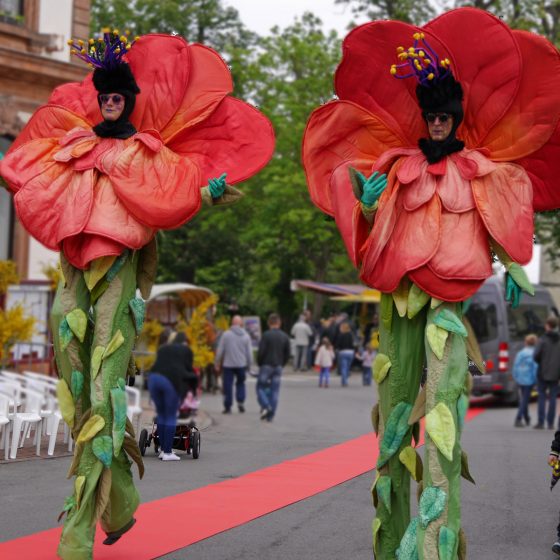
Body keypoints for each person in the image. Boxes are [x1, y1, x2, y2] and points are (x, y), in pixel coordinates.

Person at [0, 29, 274, 559]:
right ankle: (120, 492)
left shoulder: (146, 152)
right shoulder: (74, 146)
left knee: (102, 389)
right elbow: (30, 179)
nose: (107, 104)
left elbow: (168, 196)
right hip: (74, 272)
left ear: (127, 101)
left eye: (116, 98)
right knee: (78, 383)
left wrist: (205, 193)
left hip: (120, 273)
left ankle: (78, 526)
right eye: (102, 97)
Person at [303, 9, 560, 557]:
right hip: (399, 298)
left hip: (448, 301)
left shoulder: (482, 169)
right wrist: (367, 205)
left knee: (442, 414)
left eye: (445, 117)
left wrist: (515, 268)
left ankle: (436, 546)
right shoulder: (398, 165)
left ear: (455, 119)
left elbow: (496, 222)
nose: (438, 124)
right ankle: (393, 537)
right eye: (432, 117)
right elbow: (373, 222)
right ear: (425, 119)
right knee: (396, 412)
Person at [148, 331, 196, 461]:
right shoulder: (186, 350)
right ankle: (168, 452)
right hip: (169, 382)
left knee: (162, 415)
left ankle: (163, 451)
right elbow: (188, 370)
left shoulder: (163, 348)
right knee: (170, 416)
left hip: (153, 380)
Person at [256, 313, 291, 421]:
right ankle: (271, 415)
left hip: (266, 365)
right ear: (279, 323)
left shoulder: (266, 335)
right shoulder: (285, 336)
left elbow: (261, 352)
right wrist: (282, 363)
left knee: (260, 387)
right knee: (275, 390)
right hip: (278, 366)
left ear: (269, 323)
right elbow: (288, 353)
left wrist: (260, 363)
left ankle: (266, 406)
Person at [215, 315, 253, 414]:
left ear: (232, 323)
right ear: (241, 324)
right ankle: (240, 403)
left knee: (228, 385)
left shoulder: (226, 335)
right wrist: (249, 365)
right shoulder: (246, 336)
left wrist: (217, 362)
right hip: (241, 365)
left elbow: (220, 350)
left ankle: (228, 407)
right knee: (240, 383)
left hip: (228, 365)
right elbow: (249, 353)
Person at [534, 318, 560, 429]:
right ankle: (550, 423)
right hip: (556, 372)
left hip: (542, 372)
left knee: (542, 397)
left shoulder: (543, 339)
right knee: (553, 397)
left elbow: (536, 355)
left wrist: (541, 362)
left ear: (548, 325)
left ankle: (540, 422)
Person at [512, 334, 538, 427]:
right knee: (525, 399)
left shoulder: (520, 353)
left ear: (525, 342)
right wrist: (536, 380)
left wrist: (516, 377)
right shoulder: (534, 353)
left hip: (520, 378)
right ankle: (518, 418)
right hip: (529, 379)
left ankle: (527, 417)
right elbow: (535, 368)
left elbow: (515, 366)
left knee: (524, 398)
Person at [335, 321, 355, 387]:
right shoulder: (351, 334)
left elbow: (337, 344)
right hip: (351, 352)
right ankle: (345, 380)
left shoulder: (341, 335)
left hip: (343, 352)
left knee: (344, 367)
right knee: (347, 367)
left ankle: (344, 381)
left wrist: (337, 348)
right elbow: (353, 344)